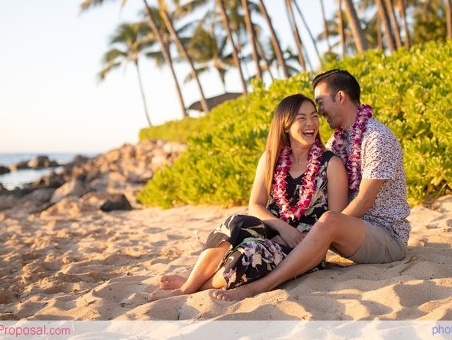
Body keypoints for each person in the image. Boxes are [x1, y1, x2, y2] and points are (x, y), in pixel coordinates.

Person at [212, 69, 411, 301]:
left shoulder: (377, 138)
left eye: (320, 103)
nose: (319, 113)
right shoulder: (337, 142)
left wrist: (321, 232)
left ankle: (261, 286)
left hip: (386, 238)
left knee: (328, 220)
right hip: (350, 233)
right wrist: (286, 229)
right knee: (242, 228)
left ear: (340, 97)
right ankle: (201, 280)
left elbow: (364, 200)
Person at [152, 93, 348, 298]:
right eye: (302, 118)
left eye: (314, 116)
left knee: (250, 251)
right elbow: (255, 204)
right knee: (234, 223)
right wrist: (283, 227)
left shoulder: (331, 164)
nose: (311, 123)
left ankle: (196, 284)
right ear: (286, 125)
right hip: (272, 230)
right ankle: (190, 285)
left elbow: (335, 220)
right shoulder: (272, 158)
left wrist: (296, 236)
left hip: (304, 247)